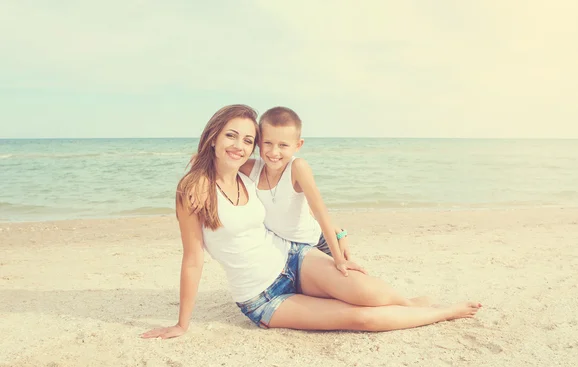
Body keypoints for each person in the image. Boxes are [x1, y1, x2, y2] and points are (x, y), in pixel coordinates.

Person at [141, 105, 481, 339]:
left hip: (294, 257)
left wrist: (336, 242)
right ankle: (443, 313)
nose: (240, 146)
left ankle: (409, 305)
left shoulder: (250, 174)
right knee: (360, 317)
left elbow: (307, 203)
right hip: (263, 297)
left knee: (366, 291)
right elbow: (193, 259)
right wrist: (182, 324)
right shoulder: (194, 190)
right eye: (232, 136)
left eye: (247, 140)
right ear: (213, 136)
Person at [240, 106, 350, 274]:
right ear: (258, 141)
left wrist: (339, 258)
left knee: (350, 283)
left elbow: (319, 211)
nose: (274, 152)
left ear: (298, 145)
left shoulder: (297, 167)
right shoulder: (252, 169)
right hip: (287, 250)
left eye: (283, 145)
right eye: (267, 143)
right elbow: (217, 162)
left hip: (317, 243)